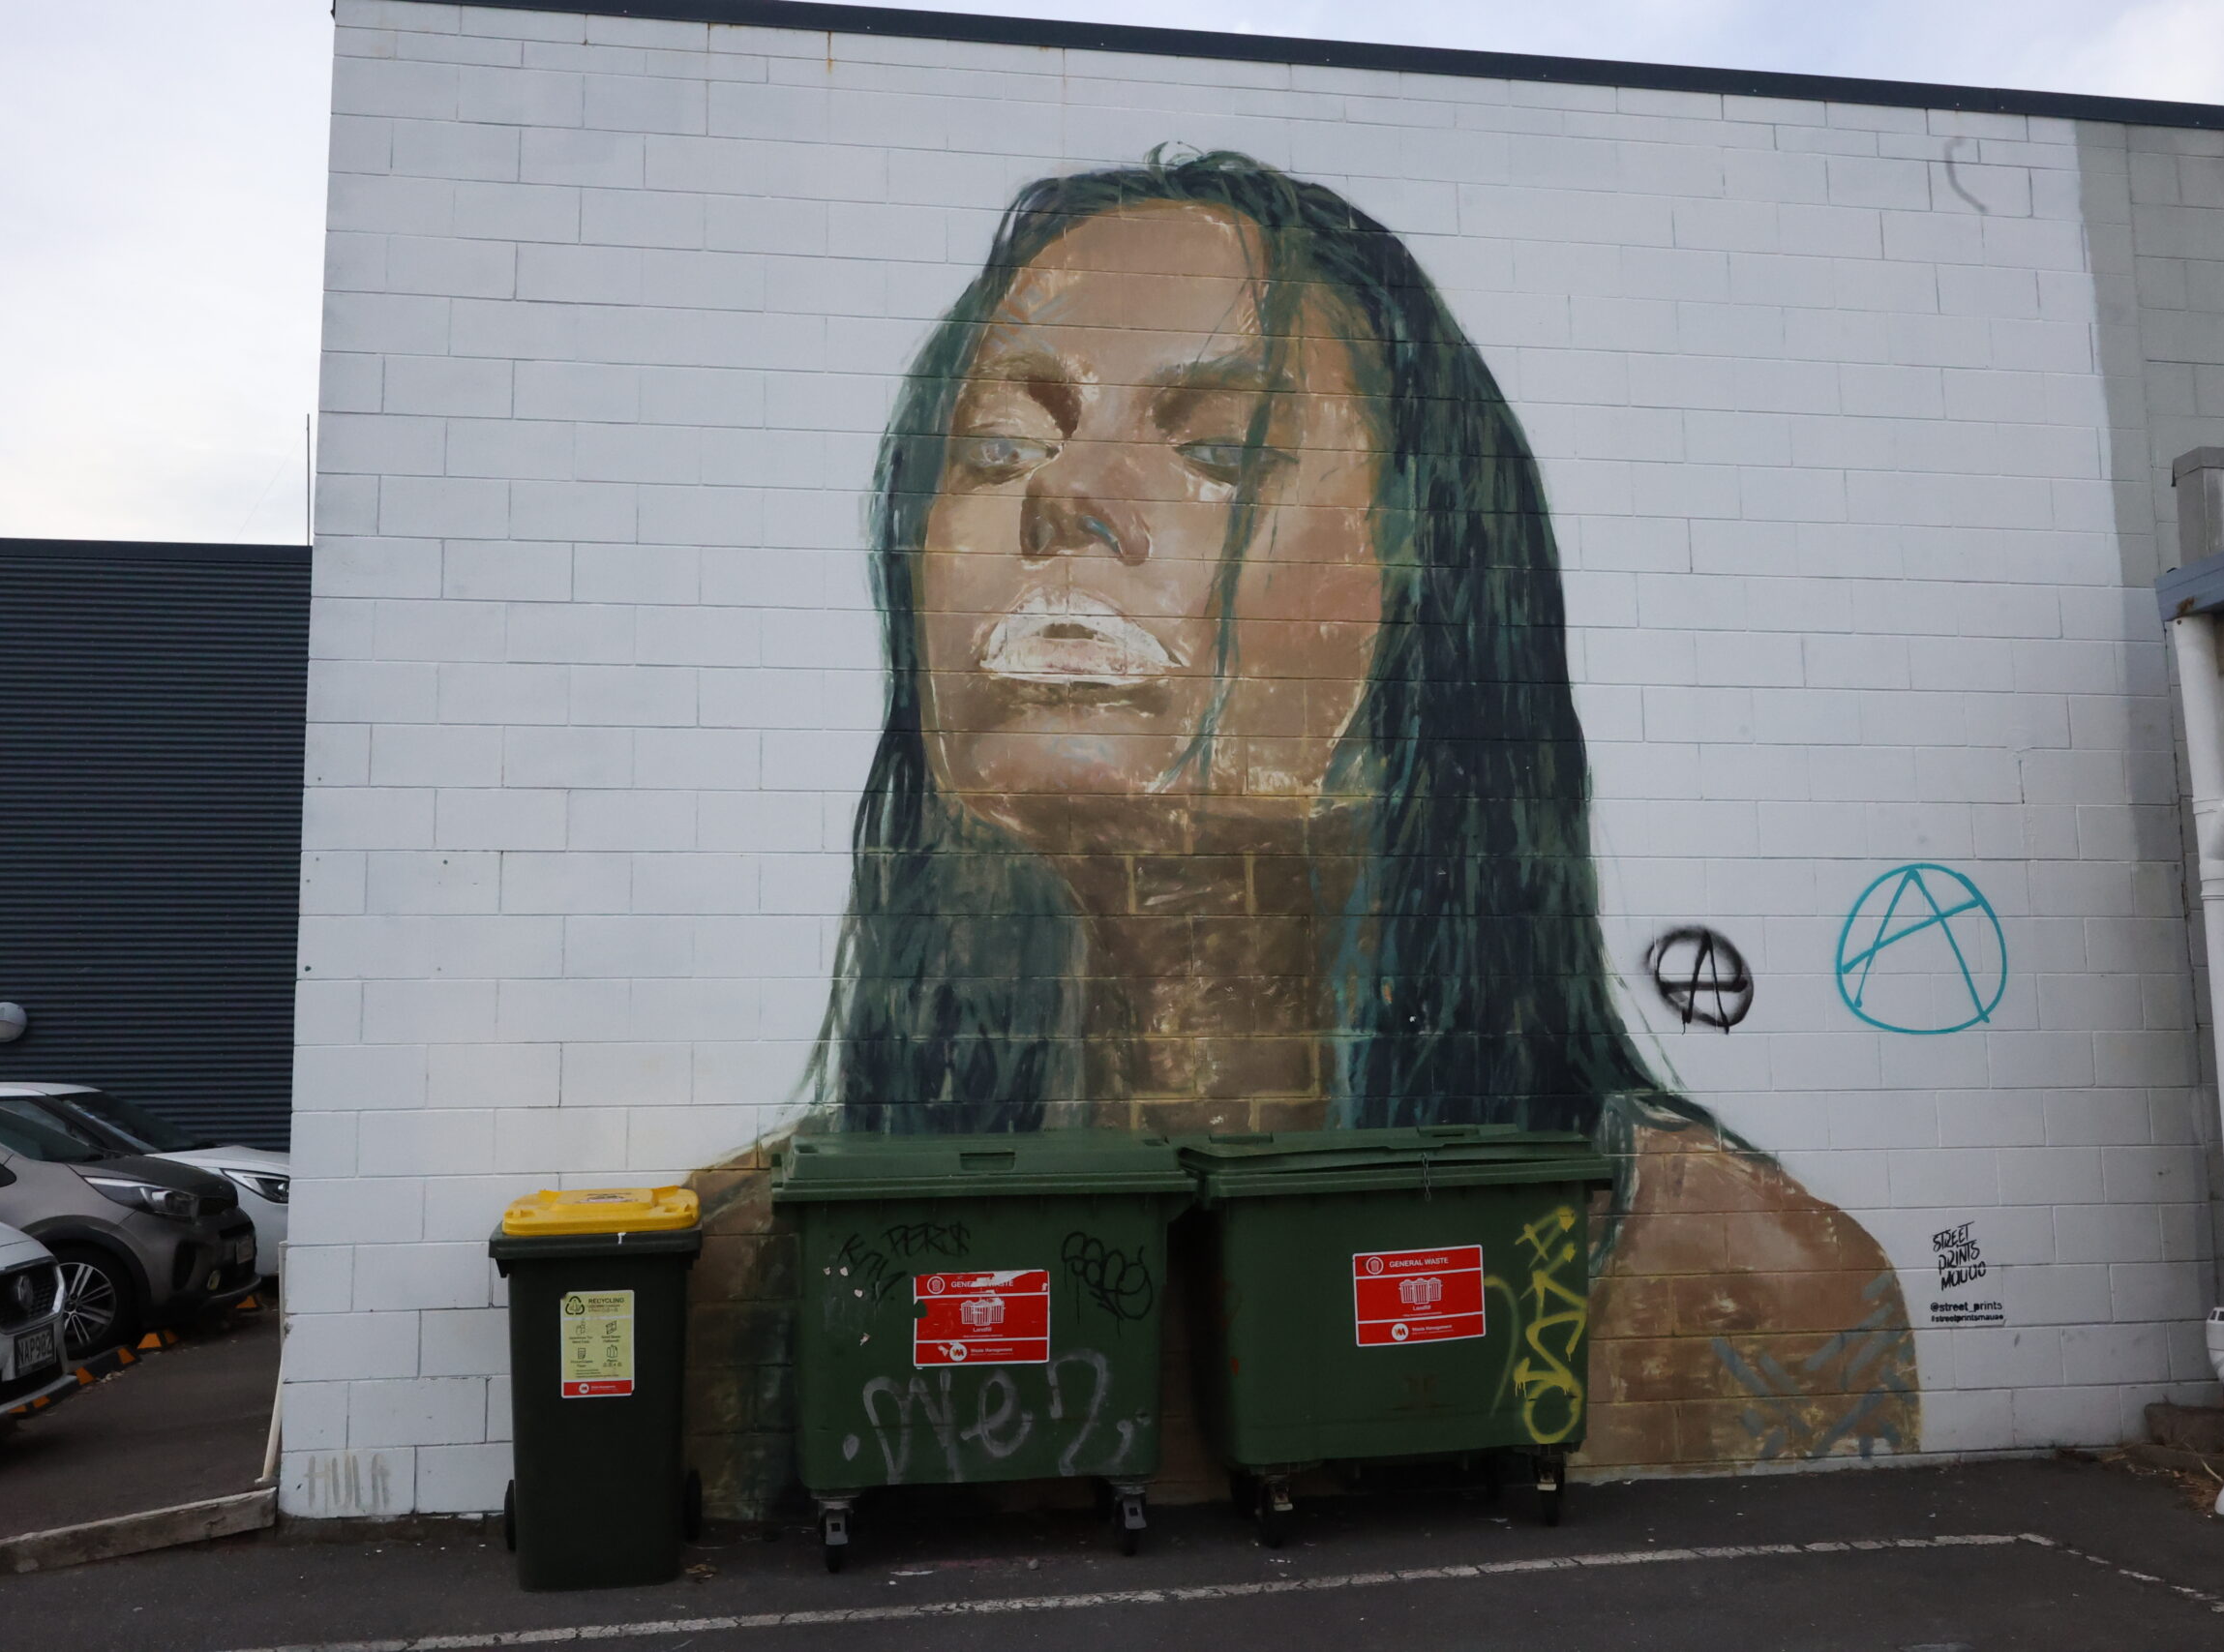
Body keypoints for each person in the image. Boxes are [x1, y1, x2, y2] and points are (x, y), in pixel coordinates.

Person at [795, 149, 1915, 1466]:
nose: (1064, 498)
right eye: (996, 447)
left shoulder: (1740, 1286)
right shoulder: (769, 1260)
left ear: (1428, 584)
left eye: (1221, 450)